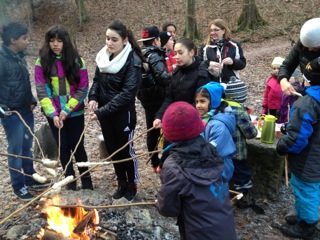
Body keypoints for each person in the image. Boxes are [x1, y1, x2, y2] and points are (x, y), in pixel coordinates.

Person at [156, 101, 237, 240]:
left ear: (169, 133)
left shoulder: (173, 166)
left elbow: (168, 209)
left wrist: (159, 202)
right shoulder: (211, 150)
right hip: (225, 227)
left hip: (198, 232)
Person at [88, 20, 143, 202]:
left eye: (114, 39)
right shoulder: (103, 58)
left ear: (125, 40)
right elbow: (96, 80)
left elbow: (128, 93)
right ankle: (121, 183)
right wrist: (93, 98)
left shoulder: (133, 61)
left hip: (123, 114)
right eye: (107, 39)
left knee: (126, 150)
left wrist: (102, 111)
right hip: (105, 113)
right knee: (113, 150)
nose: (109, 43)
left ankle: (132, 184)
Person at [34, 25, 93, 191]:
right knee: (63, 147)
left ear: (65, 42)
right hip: (53, 114)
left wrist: (66, 110)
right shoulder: (42, 62)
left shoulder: (77, 61)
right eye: (52, 40)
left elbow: (83, 88)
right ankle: (70, 182)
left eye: (59, 40)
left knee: (78, 146)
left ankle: (87, 182)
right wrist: (53, 113)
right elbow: (42, 89)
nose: (55, 44)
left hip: (75, 112)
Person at [0, 22, 48, 201]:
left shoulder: (18, 57)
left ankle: (30, 178)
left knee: (27, 147)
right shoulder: (2, 60)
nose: (27, 41)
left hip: (25, 110)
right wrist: (2, 109)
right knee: (16, 150)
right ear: (13, 40)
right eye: (24, 38)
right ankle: (18, 185)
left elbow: (23, 83)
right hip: (11, 115)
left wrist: (32, 100)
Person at [276, 58, 320, 239]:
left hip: (308, 159)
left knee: (306, 190)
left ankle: (307, 226)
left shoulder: (306, 104)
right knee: (307, 189)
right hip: (317, 154)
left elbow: (297, 139)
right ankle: (303, 216)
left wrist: (282, 146)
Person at [153, 38, 210, 128]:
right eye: (175, 53)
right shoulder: (176, 72)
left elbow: (198, 104)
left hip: (192, 123)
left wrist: (178, 119)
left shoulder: (201, 74)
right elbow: (169, 99)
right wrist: (160, 116)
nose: (177, 57)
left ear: (191, 53)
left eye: (180, 53)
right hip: (176, 120)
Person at [137, 26, 171, 173]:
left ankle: (154, 161)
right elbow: (163, 78)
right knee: (163, 129)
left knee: (151, 129)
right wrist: (175, 74)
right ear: (156, 40)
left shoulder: (139, 54)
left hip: (145, 98)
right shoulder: (155, 55)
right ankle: (162, 163)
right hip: (157, 97)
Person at [195, 82, 236, 181]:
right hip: (206, 166)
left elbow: (213, 151)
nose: (198, 105)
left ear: (213, 101)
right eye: (196, 102)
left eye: (202, 101)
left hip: (218, 169)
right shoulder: (203, 119)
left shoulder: (218, 125)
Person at [224, 77, 258, 192]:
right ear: (242, 96)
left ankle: (231, 187)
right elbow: (251, 133)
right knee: (242, 172)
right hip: (236, 150)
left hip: (224, 149)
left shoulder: (223, 106)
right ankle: (242, 191)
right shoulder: (238, 111)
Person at [278, 17, 320, 96]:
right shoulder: (302, 45)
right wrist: (283, 80)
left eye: (315, 48)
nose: (310, 49)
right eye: (307, 46)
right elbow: (286, 66)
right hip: (308, 92)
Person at [198, 19, 246, 84]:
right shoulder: (205, 46)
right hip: (211, 85)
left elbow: (242, 64)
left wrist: (233, 62)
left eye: (216, 30)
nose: (213, 32)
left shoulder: (234, 45)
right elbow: (198, 63)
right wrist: (208, 63)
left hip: (230, 84)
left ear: (223, 31)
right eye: (211, 30)